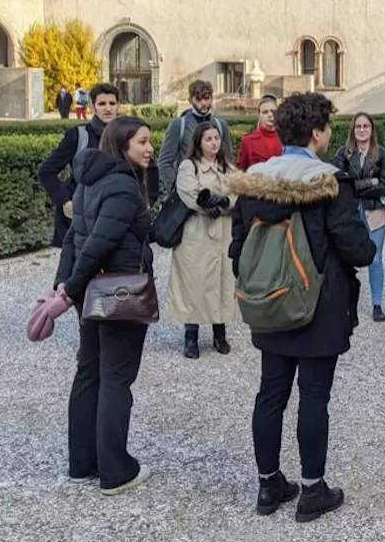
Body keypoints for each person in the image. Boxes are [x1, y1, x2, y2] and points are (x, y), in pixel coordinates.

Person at [228, 93, 376, 523]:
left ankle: (268, 484)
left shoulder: (256, 177)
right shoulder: (329, 180)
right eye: (328, 127)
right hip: (318, 300)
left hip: (269, 296)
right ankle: (312, 490)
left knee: (270, 392)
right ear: (316, 133)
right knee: (314, 395)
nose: (330, 134)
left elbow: (238, 244)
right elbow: (356, 248)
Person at [55, 116, 156, 496]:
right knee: (115, 378)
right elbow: (97, 243)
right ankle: (115, 470)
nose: (150, 148)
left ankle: (82, 463)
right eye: (143, 142)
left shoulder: (87, 184)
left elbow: (73, 241)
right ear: (122, 145)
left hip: (91, 292)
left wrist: (65, 284)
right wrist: (67, 289)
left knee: (89, 373)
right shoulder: (123, 188)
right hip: (119, 291)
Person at [167, 121, 238, 359]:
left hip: (223, 233)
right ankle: (191, 336)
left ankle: (220, 333)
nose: (214, 142)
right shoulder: (189, 166)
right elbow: (189, 192)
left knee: (222, 282)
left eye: (216, 138)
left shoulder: (227, 166)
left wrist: (226, 203)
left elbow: (238, 189)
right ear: (198, 142)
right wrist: (208, 205)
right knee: (194, 284)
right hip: (196, 233)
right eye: (208, 138)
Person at [39, 82, 140, 248]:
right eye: (102, 104)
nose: (108, 109)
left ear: (118, 106)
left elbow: (145, 171)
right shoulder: (78, 136)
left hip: (118, 213)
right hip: (82, 216)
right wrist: (65, 201)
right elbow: (47, 171)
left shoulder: (129, 136)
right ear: (93, 107)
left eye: (112, 103)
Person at [333, 113, 385, 322]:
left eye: (365, 126)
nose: (361, 130)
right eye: (358, 126)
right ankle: (346, 302)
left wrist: (361, 186)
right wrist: (370, 182)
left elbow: (384, 186)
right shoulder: (343, 153)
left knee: (375, 258)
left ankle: (377, 304)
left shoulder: (382, 154)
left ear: (371, 129)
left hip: (375, 210)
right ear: (353, 129)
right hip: (350, 212)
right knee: (347, 257)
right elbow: (340, 184)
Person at [158, 80, 234, 196]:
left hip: (215, 191)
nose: (203, 103)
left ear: (212, 98)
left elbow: (228, 161)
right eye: (198, 99)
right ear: (190, 100)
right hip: (186, 190)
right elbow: (164, 162)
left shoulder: (221, 126)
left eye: (207, 98)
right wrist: (177, 189)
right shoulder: (179, 125)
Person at [237, 95, 284, 170]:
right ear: (259, 116)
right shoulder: (248, 141)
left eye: (273, 111)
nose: (270, 115)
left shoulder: (286, 139)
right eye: (265, 112)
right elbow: (240, 171)